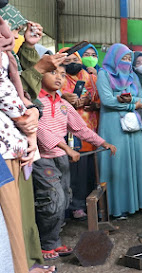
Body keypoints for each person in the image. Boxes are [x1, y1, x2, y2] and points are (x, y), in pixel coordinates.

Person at [1, 5, 65, 272]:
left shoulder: (10, 56)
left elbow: (22, 82)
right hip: (12, 140)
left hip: (19, 142)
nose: (13, 33)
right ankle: (25, 263)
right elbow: (20, 90)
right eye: (14, 29)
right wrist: (27, 117)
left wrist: (29, 47)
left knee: (24, 211)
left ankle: (30, 260)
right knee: (14, 216)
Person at [33, 64, 116, 260]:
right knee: (51, 201)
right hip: (43, 160)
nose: (59, 78)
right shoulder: (35, 101)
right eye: (53, 73)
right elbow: (40, 130)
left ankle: (53, 242)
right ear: (39, 74)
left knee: (64, 199)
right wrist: (66, 148)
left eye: (62, 74)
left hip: (60, 159)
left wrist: (103, 142)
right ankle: (45, 244)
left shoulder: (63, 104)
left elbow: (81, 129)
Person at [97, 43, 142, 219]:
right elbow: (107, 100)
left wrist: (133, 101)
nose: (126, 62)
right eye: (122, 58)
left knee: (139, 163)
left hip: (132, 124)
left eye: (128, 59)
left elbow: (141, 97)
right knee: (117, 164)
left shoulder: (132, 75)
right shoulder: (103, 74)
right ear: (113, 58)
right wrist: (132, 104)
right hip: (113, 125)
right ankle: (118, 207)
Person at [58, 48, 101, 220]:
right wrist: (65, 100)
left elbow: (99, 99)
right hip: (69, 133)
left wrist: (91, 102)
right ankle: (74, 207)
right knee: (74, 172)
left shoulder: (91, 77)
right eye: (66, 61)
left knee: (90, 171)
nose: (72, 64)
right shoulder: (59, 77)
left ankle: (90, 205)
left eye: (74, 60)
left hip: (91, 130)